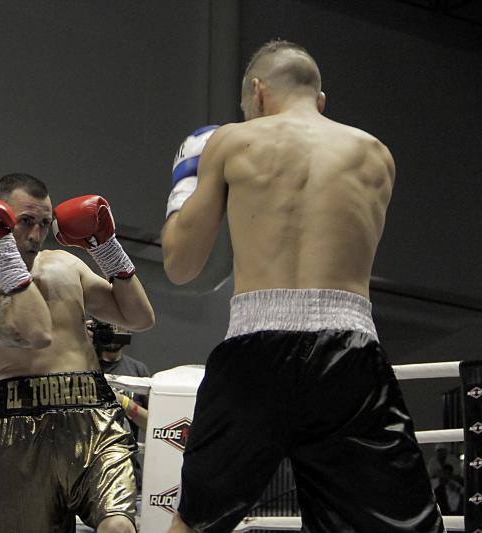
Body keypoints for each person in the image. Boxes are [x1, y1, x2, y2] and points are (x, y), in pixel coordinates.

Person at [161, 40, 444, 532]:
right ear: (321, 100)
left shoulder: (231, 141)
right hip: (350, 352)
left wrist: (185, 185)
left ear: (257, 91)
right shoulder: (376, 154)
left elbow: (181, 265)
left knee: (197, 522)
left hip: (255, 350)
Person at [0, 173, 155, 533]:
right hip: (22, 426)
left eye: (44, 223)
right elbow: (38, 332)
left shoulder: (65, 265)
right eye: (25, 222)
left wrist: (107, 248)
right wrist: (5, 256)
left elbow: (138, 318)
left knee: (119, 527)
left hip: (94, 415)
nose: (35, 235)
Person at [88, 319, 150, 484]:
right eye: (107, 325)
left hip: (127, 468)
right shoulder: (82, 365)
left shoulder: (138, 371)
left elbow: (153, 424)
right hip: (89, 468)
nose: (113, 330)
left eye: (117, 325)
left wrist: (123, 401)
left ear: (128, 331)